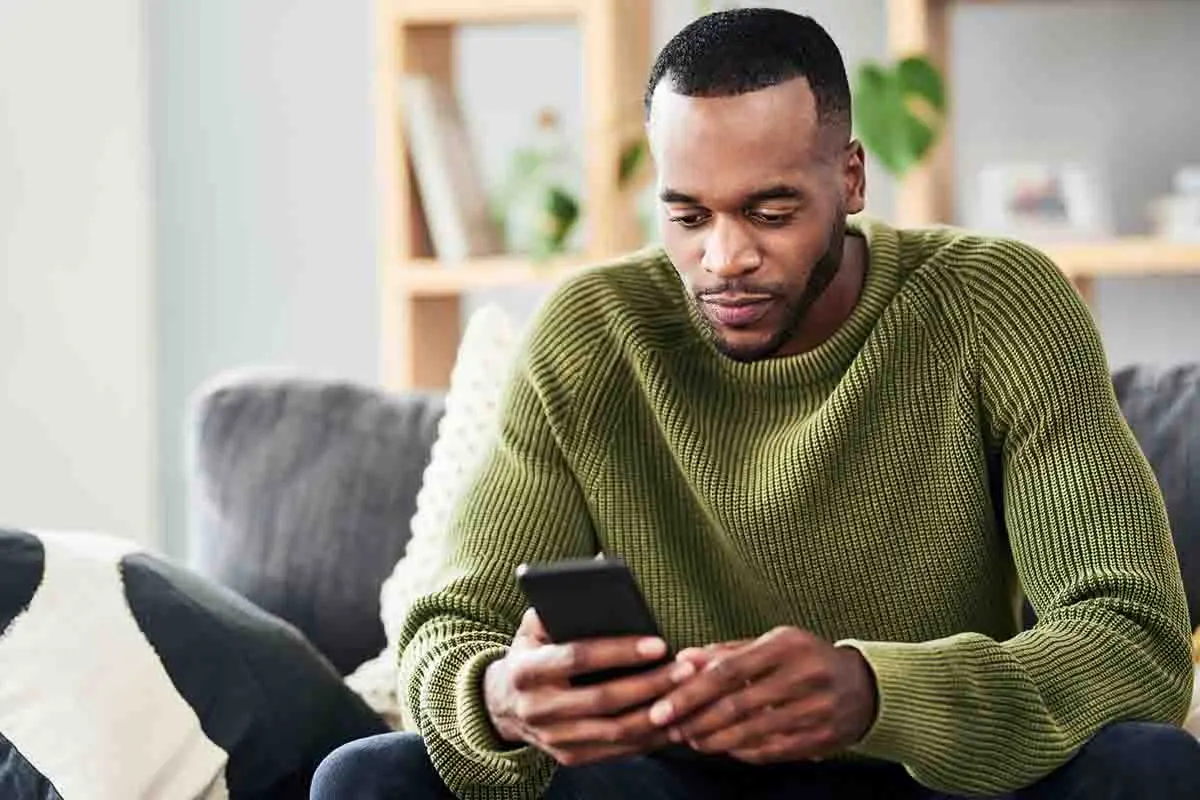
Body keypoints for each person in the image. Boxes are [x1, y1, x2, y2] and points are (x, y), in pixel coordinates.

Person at [312, 8, 1197, 799]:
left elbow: (1132, 640)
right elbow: (451, 628)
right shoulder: (592, 332)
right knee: (367, 779)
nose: (724, 259)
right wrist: (496, 698)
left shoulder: (996, 303)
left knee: (1151, 768)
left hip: (937, 774)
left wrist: (873, 693)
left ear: (849, 179)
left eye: (770, 212)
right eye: (688, 217)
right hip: (674, 779)